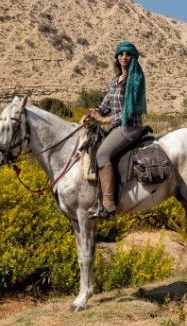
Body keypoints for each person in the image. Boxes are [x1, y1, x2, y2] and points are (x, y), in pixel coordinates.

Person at [82, 40, 147, 219]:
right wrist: (92, 114)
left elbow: (130, 110)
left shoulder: (135, 80)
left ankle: (109, 206)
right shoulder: (115, 80)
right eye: (121, 54)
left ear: (133, 57)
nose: (124, 57)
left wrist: (104, 120)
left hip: (130, 126)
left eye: (127, 54)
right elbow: (105, 104)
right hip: (117, 126)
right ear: (116, 58)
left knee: (103, 154)